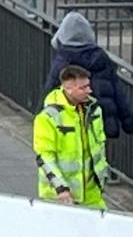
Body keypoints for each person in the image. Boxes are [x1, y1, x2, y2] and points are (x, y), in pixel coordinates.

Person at [46, 11, 133, 140]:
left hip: (70, 124)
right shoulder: (101, 59)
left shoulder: (63, 61)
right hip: (100, 121)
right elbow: (118, 93)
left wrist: (40, 121)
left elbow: (50, 93)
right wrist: (129, 122)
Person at [33, 65, 114, 207]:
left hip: (92, 194)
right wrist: (61, 188)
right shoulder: (48, 118)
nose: (89, 91)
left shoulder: (94, 111)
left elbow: (99, 149)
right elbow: (45, 156)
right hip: (61, 197)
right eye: (83, 88)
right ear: (68, 89)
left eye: (88, 86)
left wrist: (102, 179)